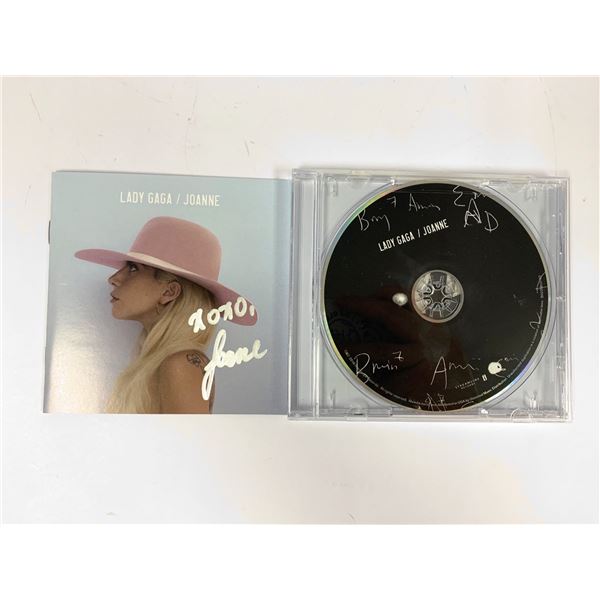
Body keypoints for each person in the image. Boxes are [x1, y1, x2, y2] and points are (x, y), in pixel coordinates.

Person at [75, 216, 257, 414]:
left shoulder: (181, 364)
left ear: (169, 292)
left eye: (133, 269)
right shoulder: (167, 362)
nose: (114, 278)